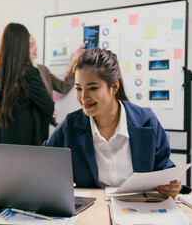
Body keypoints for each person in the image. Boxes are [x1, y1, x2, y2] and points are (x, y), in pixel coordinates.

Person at [43, 48, 182, 198]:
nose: (84, 97)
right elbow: (43, 163)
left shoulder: (147, 122)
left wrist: (170, 187)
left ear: (114, 87)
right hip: (93, 213)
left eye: (93, 88)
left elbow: (165, 170)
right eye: (78, 88)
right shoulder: (70, 125)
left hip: (140, 210)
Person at [0, 23, 54, 145]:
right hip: (23, 145)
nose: (35, 48)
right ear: (22, 46)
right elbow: (48, 107)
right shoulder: (29, 73)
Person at [29, 35, 85, 141]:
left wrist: (75, 62)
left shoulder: (42, 70)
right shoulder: (18, 74)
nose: (36, 48)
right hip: (28, 129)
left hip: (43, 127)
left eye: (35, 44)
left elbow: (63, 87)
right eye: (31, 45)